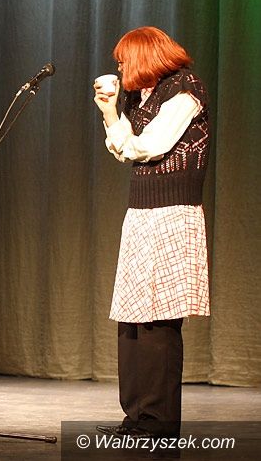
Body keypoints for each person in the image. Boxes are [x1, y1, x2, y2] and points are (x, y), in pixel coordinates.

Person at [93, 26, 210, 439]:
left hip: (173, 213)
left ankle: (159, 422)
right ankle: (136, 417)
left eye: (123, 60)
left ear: (144, 57)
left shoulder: (184, 91)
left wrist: (125, 138)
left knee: (159, 321)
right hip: (142, 212)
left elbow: (148, 146)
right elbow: (123, 148)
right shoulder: (140, 95)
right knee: (132, 317)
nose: (119, 68)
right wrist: (110, 111)